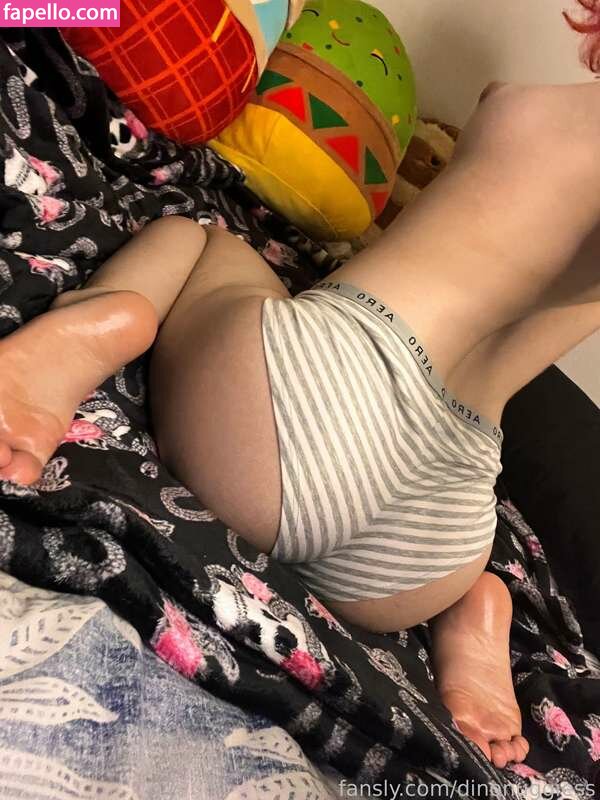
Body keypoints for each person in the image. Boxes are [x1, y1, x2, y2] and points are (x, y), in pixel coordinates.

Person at [2, 81, 600, 768]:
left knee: (198, 239)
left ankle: (102, 322)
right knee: (460, 540)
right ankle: (472, 603)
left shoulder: (526, 97)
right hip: (437, 538)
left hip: (322, 396)